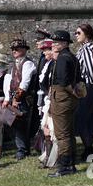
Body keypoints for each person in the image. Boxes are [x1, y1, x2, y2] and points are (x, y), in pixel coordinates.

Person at [48, 30, 81, 177]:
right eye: (53, 42)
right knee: (69, 133)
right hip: (69, 99)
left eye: (57, 42)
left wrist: (72, 91)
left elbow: (63, 81)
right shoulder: (72, 57)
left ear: (65, 43)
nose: (54, 45)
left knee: (62, 135)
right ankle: (71, 164)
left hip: (62, 97)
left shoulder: (62, 58)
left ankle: (65, 166)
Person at [6, 37, 36, 160]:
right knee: (14, 124)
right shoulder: (14, 65)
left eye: (17, 48)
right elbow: (10, 82)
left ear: (24, 49)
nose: (14, 51)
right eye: (13, 49)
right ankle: (22, 148)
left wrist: (16, 98)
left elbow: (25, 83)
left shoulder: (27, 63)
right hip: (14, 97)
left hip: (24, 98)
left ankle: (22, 150)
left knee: (21, 124)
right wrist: (8, 98)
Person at [74, 24, 93, 161]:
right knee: (84, 118)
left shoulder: (87, 49)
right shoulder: (84, 48)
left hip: (88, 87)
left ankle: (89, 149)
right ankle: (88, 148)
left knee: (83, 118)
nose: (76, 35)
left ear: (87, 34)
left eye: (78, 32)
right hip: (86, 87)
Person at [37, 40, 58, 168]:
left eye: (47, 50)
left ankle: (55, 160)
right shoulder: (48, 63)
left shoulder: (55, 64)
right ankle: (48, 157)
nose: (44, 52)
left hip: (52, 99)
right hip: (46, 99)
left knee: (53, 130)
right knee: (46, 129)